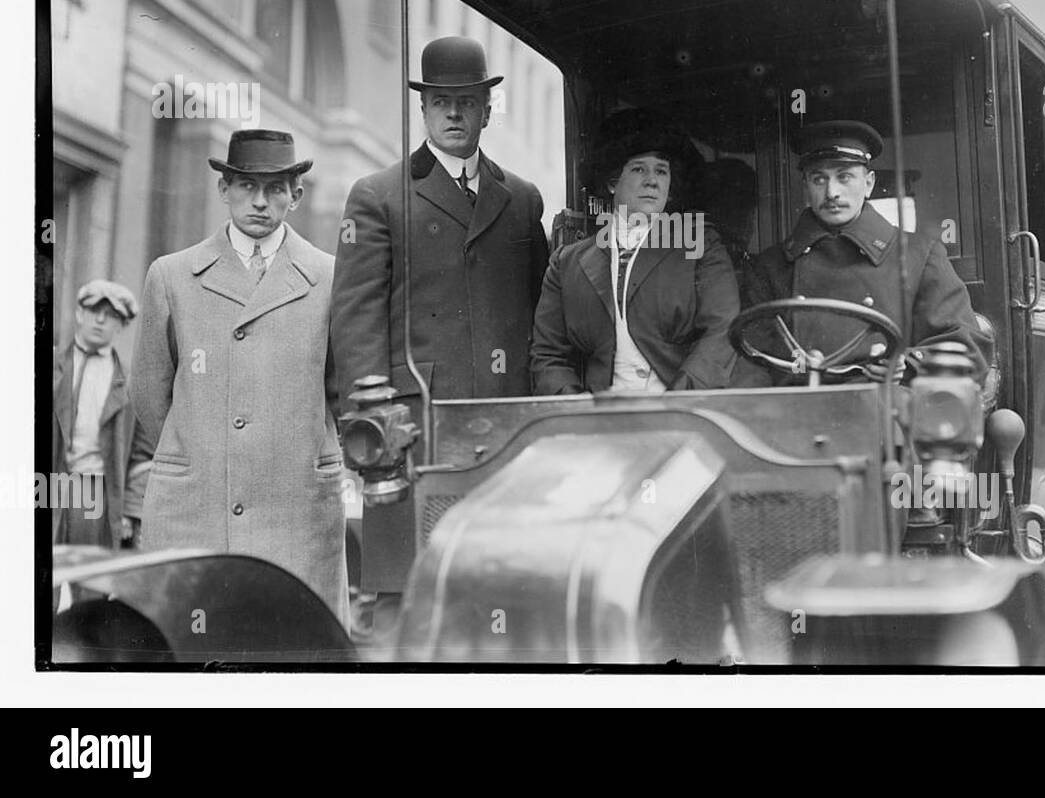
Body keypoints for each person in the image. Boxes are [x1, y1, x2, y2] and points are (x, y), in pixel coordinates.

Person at [330, 35, 549, 594]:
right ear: (423, 109)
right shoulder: (379, 196)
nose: (454, 112)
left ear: (487, 110)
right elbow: (355, 320)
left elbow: (543, 317)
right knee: (405, 592)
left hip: (507, 427)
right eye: (440, 101)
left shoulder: (522, 199)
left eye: (468, 100)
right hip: (414, 432)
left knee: (505, 582)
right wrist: (371, 429)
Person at [129, 129, 347, 623]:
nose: (260, 202)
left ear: (297, 195)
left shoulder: (330, 277)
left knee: (294, 651)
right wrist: (203, 445)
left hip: (296, 509)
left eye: (275, 189)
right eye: (247, 186)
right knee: (192, 653)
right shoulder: (172, 275)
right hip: (196, 506)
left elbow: (341, 388)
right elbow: (149, 394)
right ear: (223, 189)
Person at [738, 119, 992, 385]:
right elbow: (751, 361)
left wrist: (908, 365)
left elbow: (967, 348)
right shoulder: (769, 266)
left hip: (886, 411)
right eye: (818, 179)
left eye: (844, 177)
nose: (832, 192)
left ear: (868, 183)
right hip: (797, 413)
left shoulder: (919, 254)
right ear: (806, 189)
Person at [531, 110, 739, 395]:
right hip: (599, 425)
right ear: (612, 181)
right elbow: (547, 355)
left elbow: (722, 329)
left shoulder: (699, 244)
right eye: (639, 169)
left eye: (661, 171)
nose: (652, 181)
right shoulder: (567, 263)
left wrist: (678, 400)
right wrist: (576, 407)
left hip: (683, 417)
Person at [52, 280, 152, 550]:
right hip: (47, 487)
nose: (99, 320)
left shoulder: (132, 383)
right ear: (78, 314)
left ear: (121, 325)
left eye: (110, 316)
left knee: (90, 581)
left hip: (95, 491)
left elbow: (143, 453)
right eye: (93, 310)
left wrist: (130, 509)